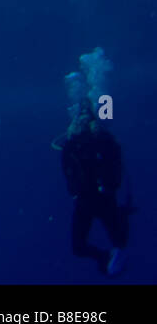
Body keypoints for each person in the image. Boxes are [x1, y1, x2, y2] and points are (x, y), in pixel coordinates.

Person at [55, 106, 130, 276]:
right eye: (79, 120)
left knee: (120, 241)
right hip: (84, 201)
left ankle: (111, 258)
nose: (82, 123)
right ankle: (106, 258)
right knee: (78, 247)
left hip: (103, 198)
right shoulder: (71, 145)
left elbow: (115, 159)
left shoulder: (102, 141)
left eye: (86, 120)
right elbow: (68, 171)